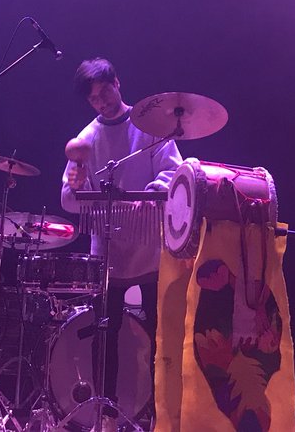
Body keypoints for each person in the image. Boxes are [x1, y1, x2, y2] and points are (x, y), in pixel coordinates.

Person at [62, 58, 182, 428]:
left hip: (149, 252)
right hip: (108, 256)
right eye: (94, 99)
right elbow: (67, 200)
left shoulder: (148, 126)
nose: (102, 102)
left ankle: (163, 418)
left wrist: (151, 193)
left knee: (162, 339)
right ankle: (107, 418)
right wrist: (77, 187)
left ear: (117, 82)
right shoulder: (85, 140)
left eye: (105, 92)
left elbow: (173, 171)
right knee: (105, 338)